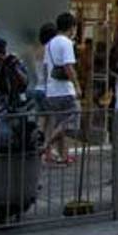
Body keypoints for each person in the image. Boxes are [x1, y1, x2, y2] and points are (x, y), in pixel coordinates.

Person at [43, 13, 80, 166]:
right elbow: (68, 66)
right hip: (64, 90)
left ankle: (62, 156)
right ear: (71, 27)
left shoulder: (50, 44)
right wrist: (77, 85)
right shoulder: (66, 43)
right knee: (72, 118)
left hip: (52, 90)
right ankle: (45, 145)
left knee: (60, 123)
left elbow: (46, 67)